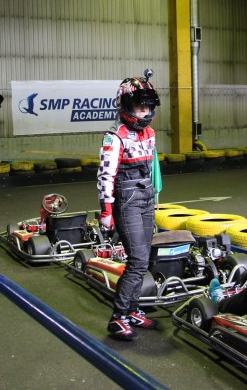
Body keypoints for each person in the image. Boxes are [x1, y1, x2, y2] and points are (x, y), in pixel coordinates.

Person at [97, 71, 161, 341]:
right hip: (127, 200)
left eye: (147, 107)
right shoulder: (115, 136)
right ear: (125, 106)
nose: (144, 111)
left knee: (144, 258)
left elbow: (152, 170)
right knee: (137, 261)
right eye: (139, 106)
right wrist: (106, 210)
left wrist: (154, 196)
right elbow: (105, 175)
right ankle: (118, 317)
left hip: (146, 197)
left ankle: (133, 310)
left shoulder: (150, 133)